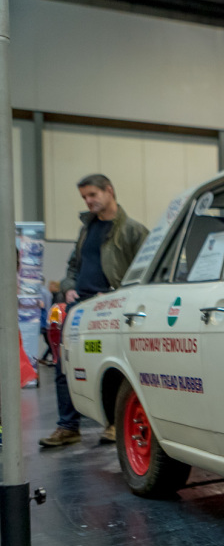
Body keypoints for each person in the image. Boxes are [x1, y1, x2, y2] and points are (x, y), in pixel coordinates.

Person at [40, 174, 148, 448]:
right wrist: (68, 287)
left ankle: (114, 424)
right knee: (64, 365)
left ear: (109, 191)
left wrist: (117, 294)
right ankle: (68, 427)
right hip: (79, 308)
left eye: (92, 195)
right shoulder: (86, 230)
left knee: (112, 366)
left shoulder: (133, 231)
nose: (88, 201)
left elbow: (145, 273)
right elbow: (73, 267)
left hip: (111, 309)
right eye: (84, 197)